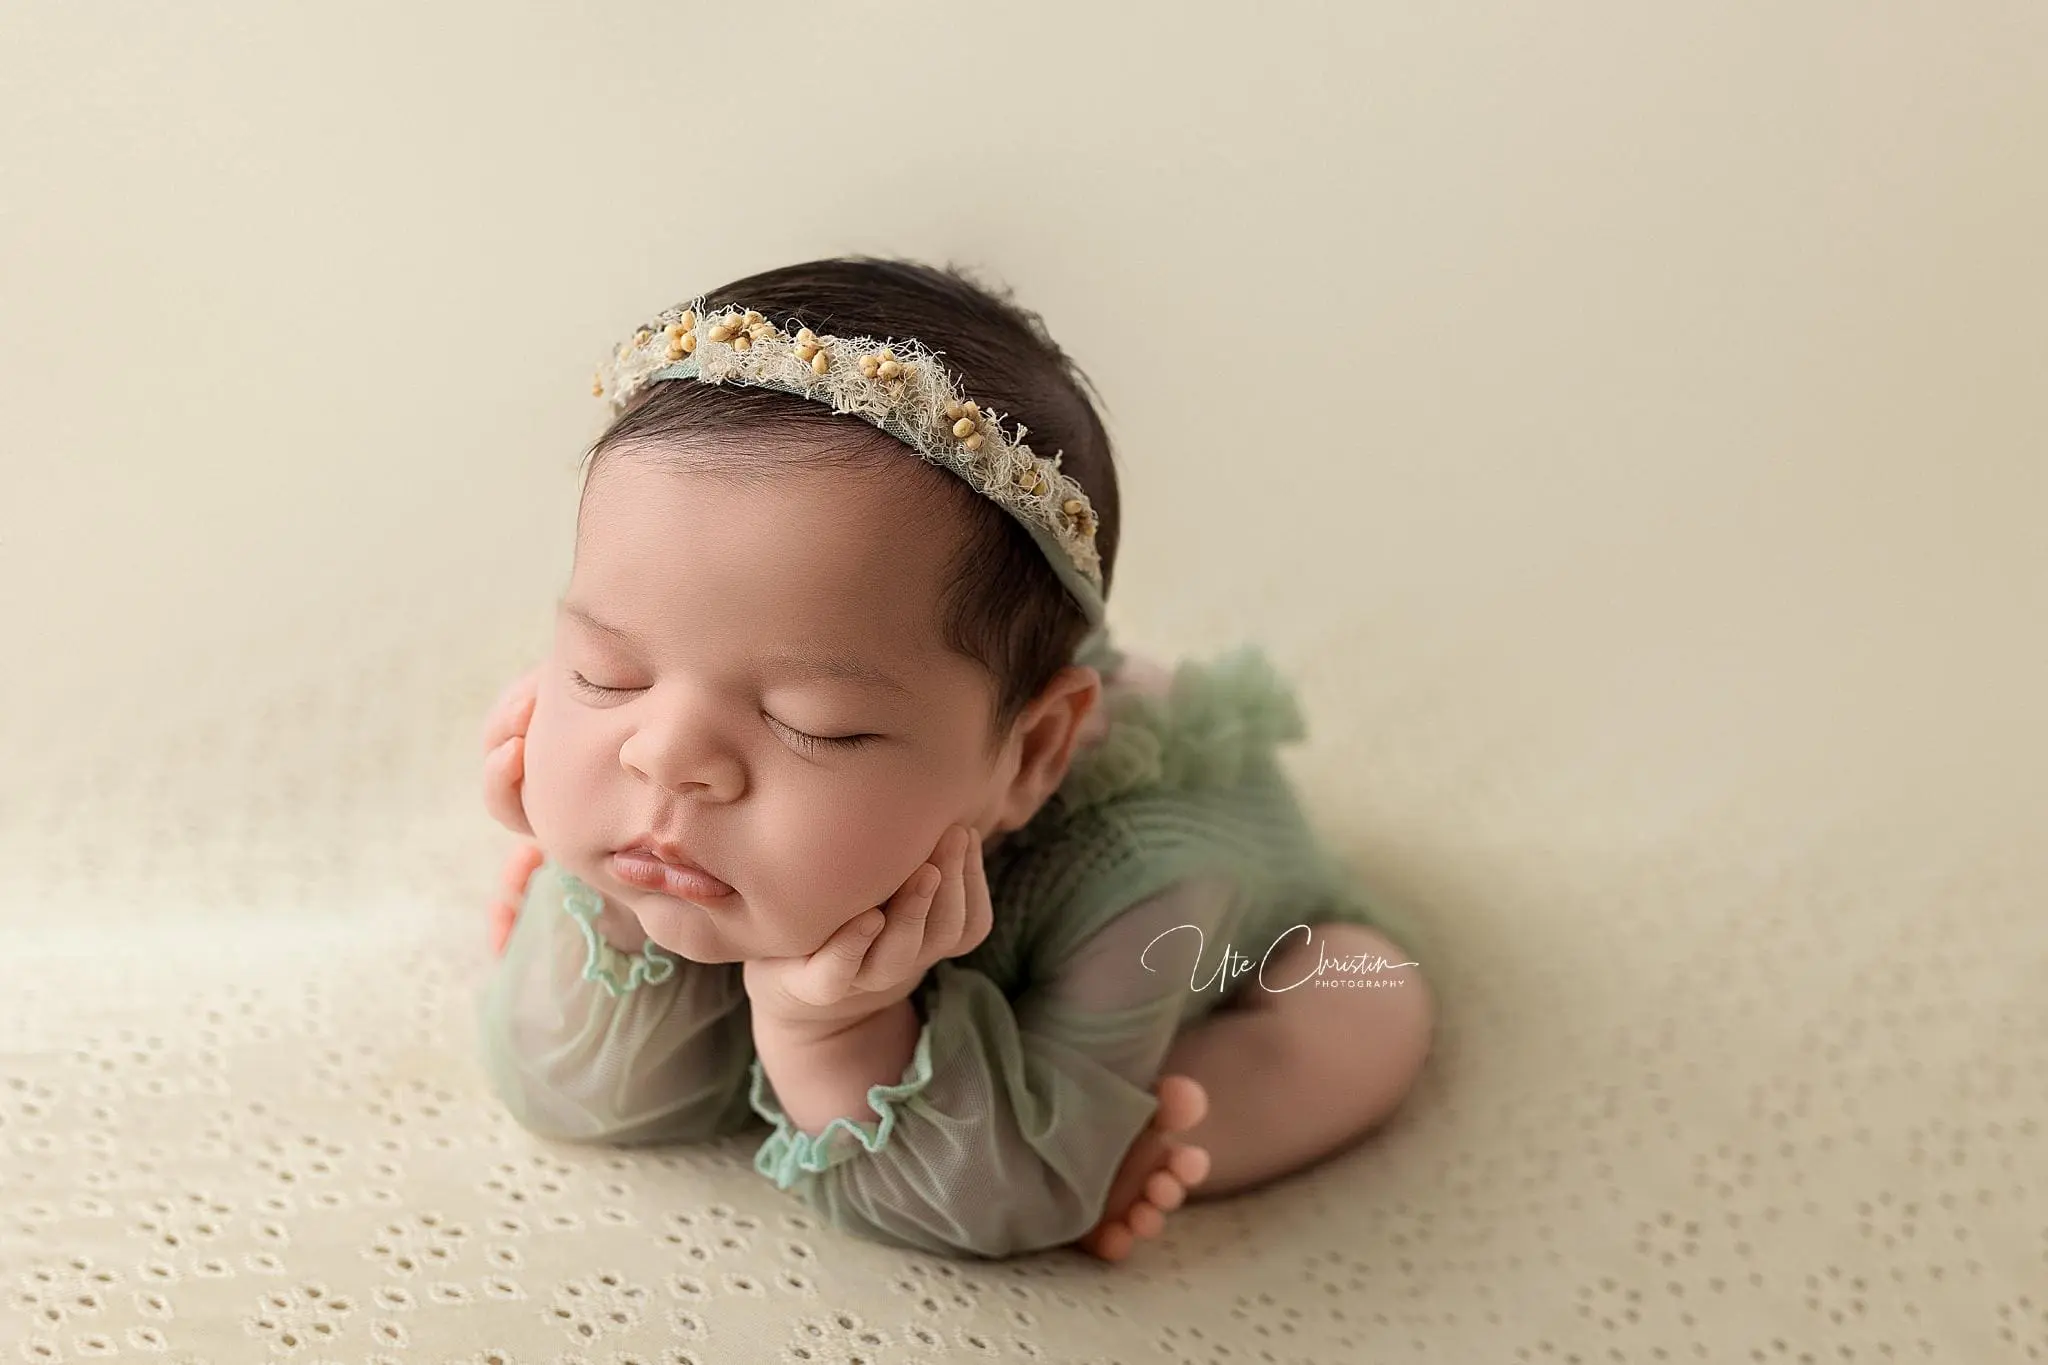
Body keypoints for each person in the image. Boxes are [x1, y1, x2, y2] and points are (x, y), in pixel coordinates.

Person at [472, 256, 1436, 1262]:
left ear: (1026, 759)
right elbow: (572, 1100)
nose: (664, 756)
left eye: (817, 723)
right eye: (606, 670)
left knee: (1366, 1007)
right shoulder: (724, 812)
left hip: (1241, 950)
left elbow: (997, 1207)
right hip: (912, 758)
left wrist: (833, 1037)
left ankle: (1141, 1127)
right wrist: (618, 919)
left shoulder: (1139, 881)